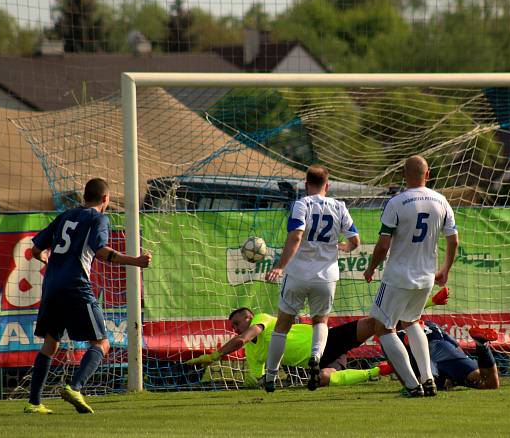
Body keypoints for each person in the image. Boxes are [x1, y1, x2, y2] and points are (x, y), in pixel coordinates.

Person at [24, 178, 152, 415]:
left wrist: (43, 258)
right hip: (75, 287)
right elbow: (102, 251)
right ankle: (75, 387)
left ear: (85, 197)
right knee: (102, 343)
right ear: (105, 199)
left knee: (50, 344)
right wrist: (135, 261)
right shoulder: (98, 218)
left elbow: (35, 249)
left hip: (52, 287)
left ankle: (34, 403)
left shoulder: (65, 215)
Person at [184, 288, 450, 389]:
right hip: (322, 362)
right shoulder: (253, 355)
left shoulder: (260, 319)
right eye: (232, 325)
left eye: (237, 322)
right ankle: (379, 370)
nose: (235, 328)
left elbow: (243, 339)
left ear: (248, 317)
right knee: (323, 378)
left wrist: (216, 356)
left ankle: (427, 303)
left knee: (374, 322)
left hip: (327, 342)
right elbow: (257, 377)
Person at [363, 155, 458, 398]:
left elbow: (383, 245)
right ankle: (428, 380)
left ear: (404, 175)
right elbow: (453, 240)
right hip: (425, 277)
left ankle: (412, 385)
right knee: (412, 322)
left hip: (398, 277)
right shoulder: (441, 201)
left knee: (383, 328)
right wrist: (445, 270)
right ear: (428, 174)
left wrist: (372, 268)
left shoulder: (397, 202)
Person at [263, 164, 360, 391]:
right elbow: (355, 240)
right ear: (328, 185)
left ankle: (270, 376)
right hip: (326, 276)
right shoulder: (339, 206)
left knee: (282, 326)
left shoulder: (301, 204)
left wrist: (280, 266)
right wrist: (344, 247)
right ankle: (316, 357)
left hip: (298, 273)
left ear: (306, 185)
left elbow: (296, 236)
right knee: (321, 320)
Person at [388, 320, 500, 392]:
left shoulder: (392, 336)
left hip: (425, 360)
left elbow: (400, 366)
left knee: (424, 386)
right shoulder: (431, 324)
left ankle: (445, 380)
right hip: (444, 349)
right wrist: (461, 372)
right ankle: (482, 345)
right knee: (490, 383)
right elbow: (457, 348)